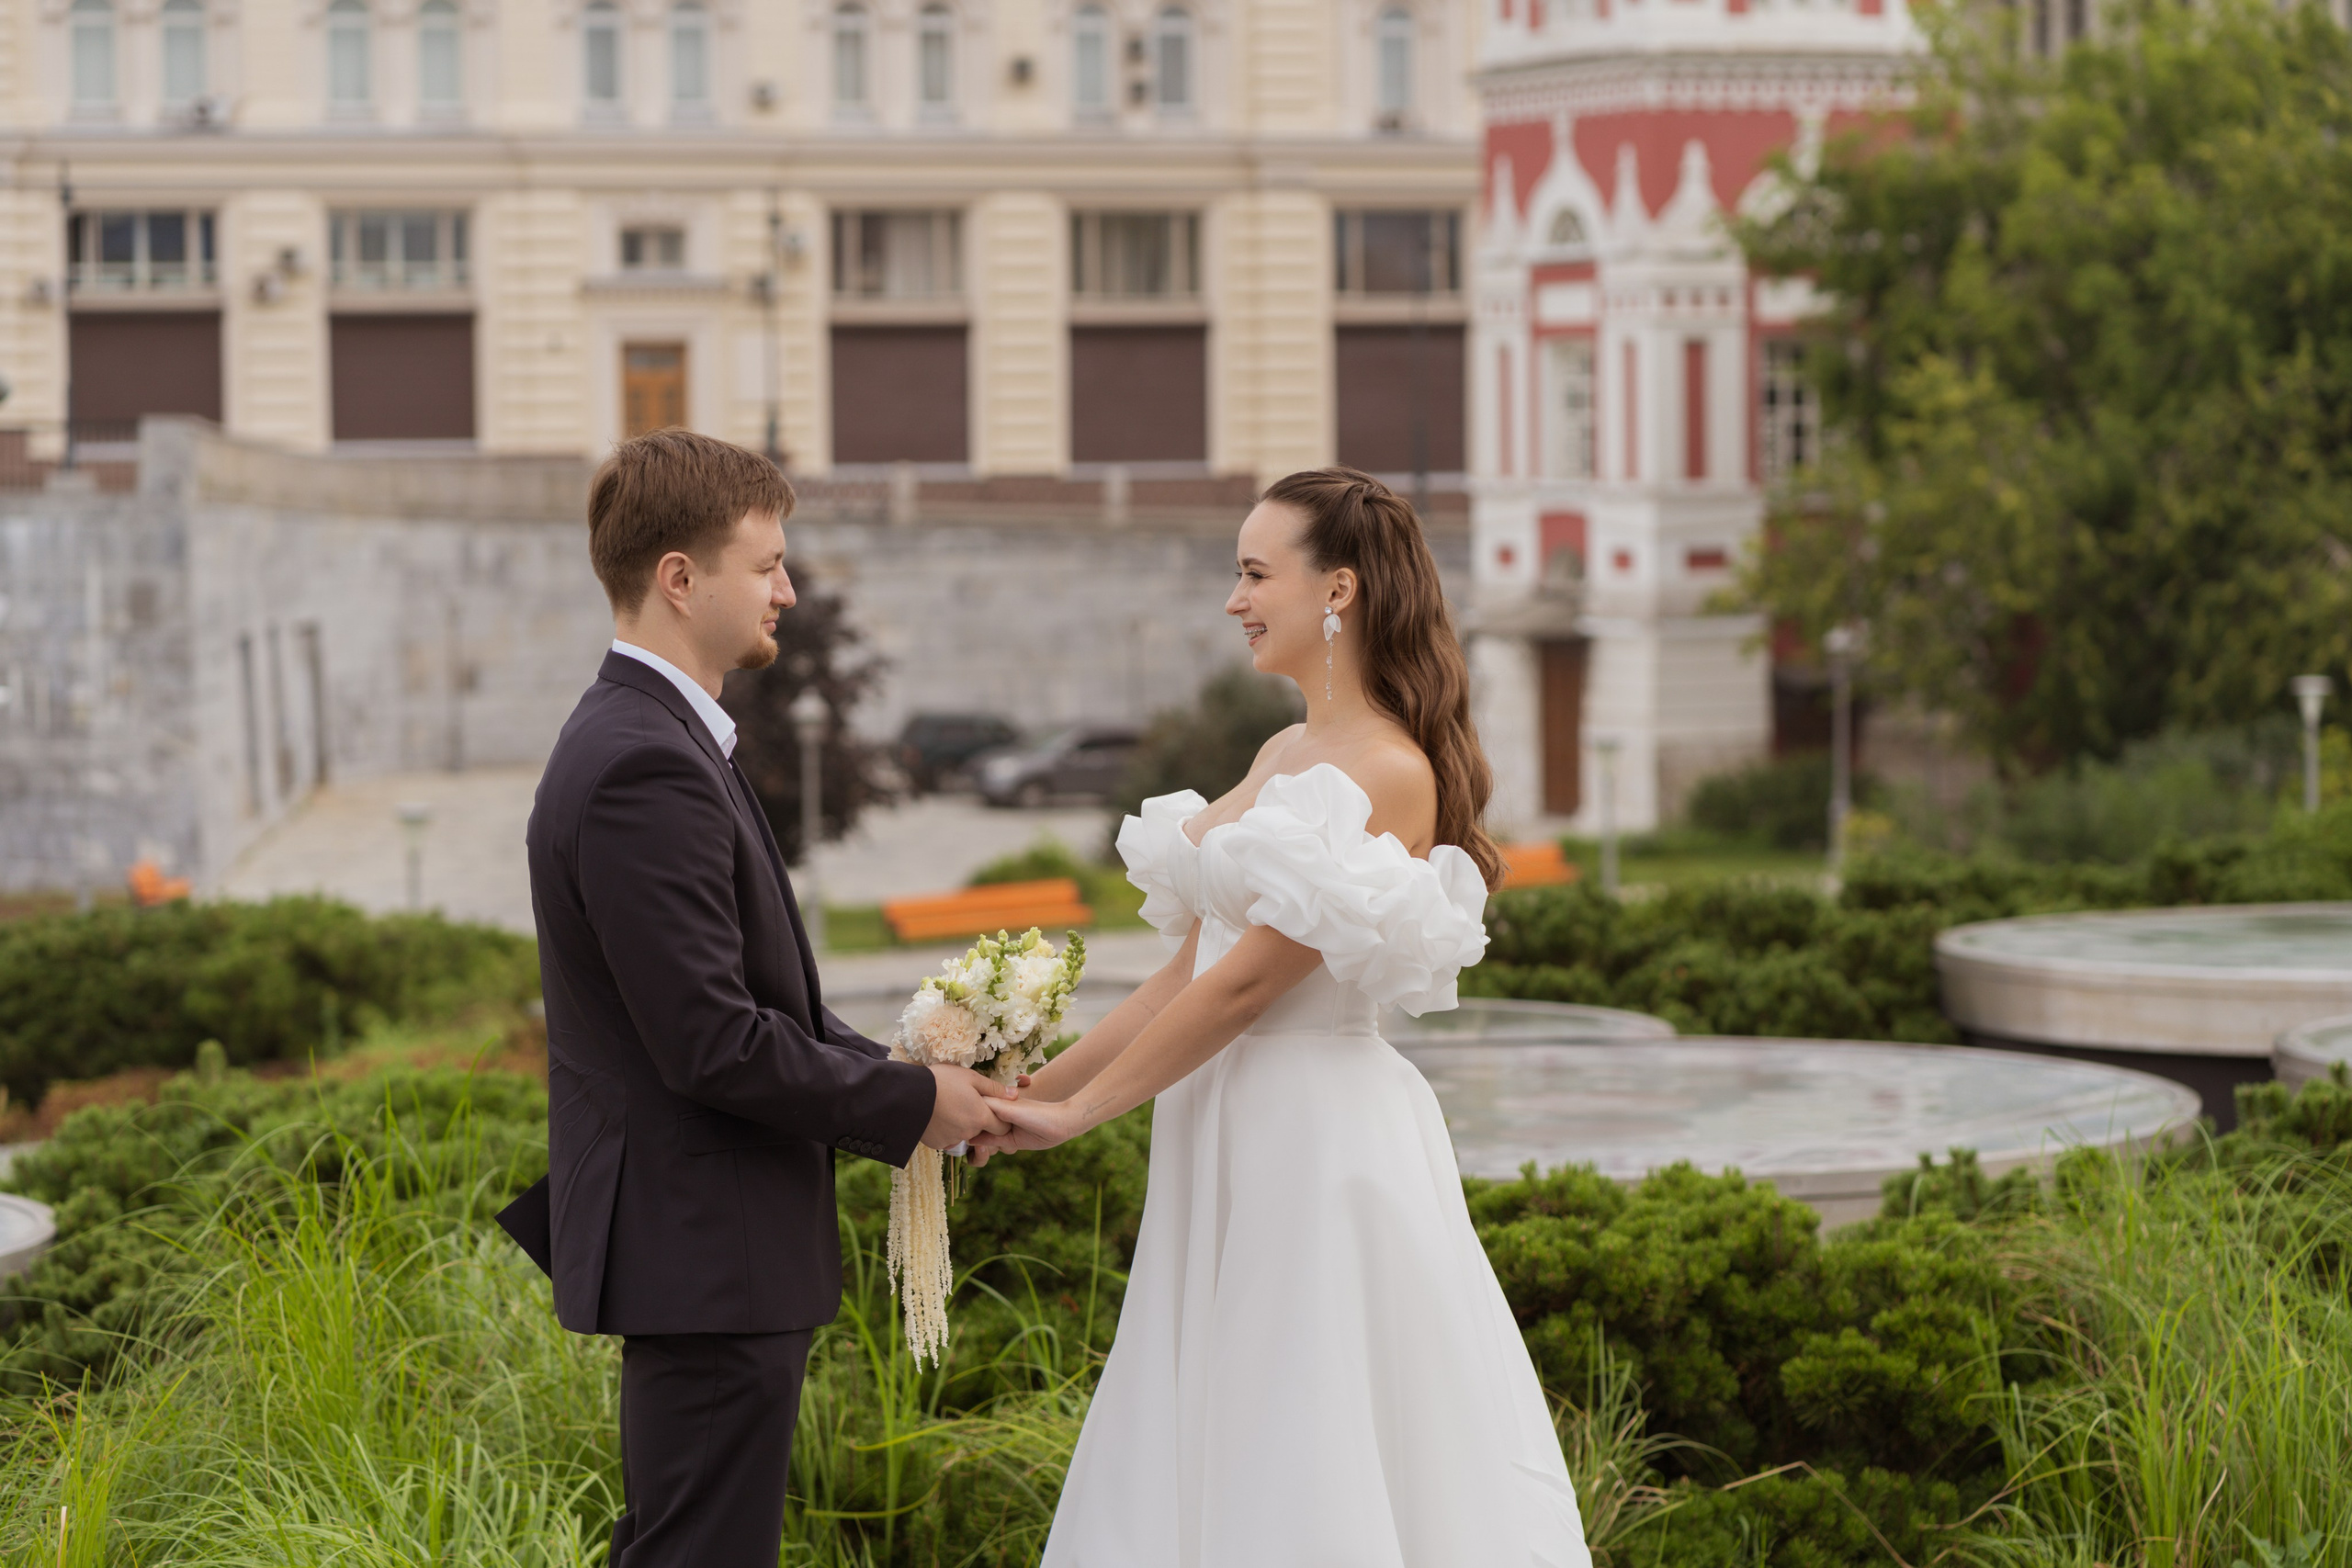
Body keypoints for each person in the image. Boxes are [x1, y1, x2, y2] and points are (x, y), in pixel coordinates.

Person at [972, 468, 1593, 1568]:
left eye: (1256, 573)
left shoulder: (1390, 772)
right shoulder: (1282, 754)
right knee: (1212, 1405)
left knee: (1303, 1425)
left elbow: (1251, 987)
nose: (1234, 599)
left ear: (1337, 590)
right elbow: (1184, 975)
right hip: (1226, 1124)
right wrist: (1031, 1094)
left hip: (1313, 1140)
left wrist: (1083, 1119)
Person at [498, 428, 1017, 1568]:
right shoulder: (646, 761)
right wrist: (907, 1107)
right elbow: (712, 1043)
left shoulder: (666, 738)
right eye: (766, 563)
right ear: (679, 579)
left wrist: (914, 1076)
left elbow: (742, 1005)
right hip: (705, 1255)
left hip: (706, 1253)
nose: (787, 588)